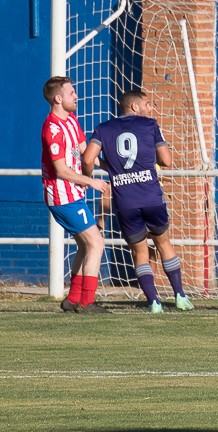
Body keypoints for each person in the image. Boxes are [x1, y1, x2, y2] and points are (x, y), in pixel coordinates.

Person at [81, 89, 194, 313]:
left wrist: (95, 174)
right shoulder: (150, 125)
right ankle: (180, 296)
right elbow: (167, 160)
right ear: (134, 106)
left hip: (125, 201)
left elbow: (87, 159)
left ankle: (154, 302)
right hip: (151, 196)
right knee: (163, 244)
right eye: (147, 103)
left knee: (140, 252)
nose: (150, 108)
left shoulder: (103, 128)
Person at [42, 76, 111, 314]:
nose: (76, 96)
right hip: (62, 197)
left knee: (85, 245)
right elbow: (60, 170)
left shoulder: (71, 120)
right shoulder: (52, 129)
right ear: (57, 98)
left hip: (73, 194)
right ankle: (87, 302)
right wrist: (91, 181)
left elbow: (85, 153)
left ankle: (72, 300)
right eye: (71, 93)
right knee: (96, 242)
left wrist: (112, 167)